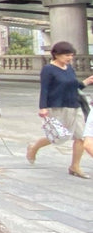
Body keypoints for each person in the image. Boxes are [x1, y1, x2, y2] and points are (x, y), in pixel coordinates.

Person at [26, 40, 93, 178]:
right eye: (67, 55)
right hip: (57, 106)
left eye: (71, 55)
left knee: (80, 137)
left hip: (75, 105)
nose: (70, 58)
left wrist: (86, 82)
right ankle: (34, 146)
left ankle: (75, 166)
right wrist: (43, 107)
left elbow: (74, 87)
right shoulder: (48, 69)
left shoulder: (69, 68)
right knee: (58, 136)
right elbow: (44, 89)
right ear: (56, 55)